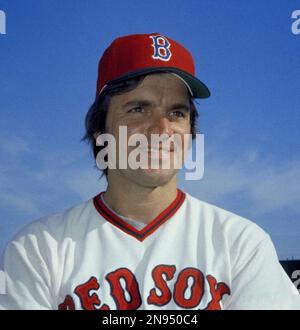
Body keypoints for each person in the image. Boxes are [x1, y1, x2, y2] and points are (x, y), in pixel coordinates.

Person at [0, 33, 300, 310]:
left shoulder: (241, 243)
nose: (161, 129)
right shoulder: (38, 248)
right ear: (99, 129)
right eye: (138, 109)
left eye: (176, 113)